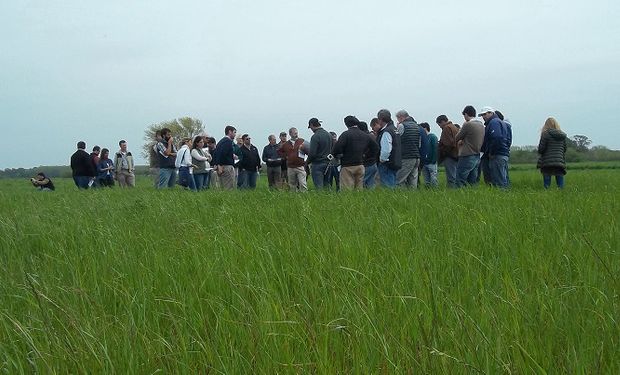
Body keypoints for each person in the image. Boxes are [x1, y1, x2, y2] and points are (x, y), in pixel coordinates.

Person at [332, 115, 379, 190]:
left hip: (347, 166)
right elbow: (376, 148)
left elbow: (336, 149)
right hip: (360, 165)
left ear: (346, 124)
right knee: (359, 190)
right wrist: (365, 155)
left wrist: (339, 155)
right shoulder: (364, 135)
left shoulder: (345, 134)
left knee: (346, 190)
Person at [480, 106, 512, 188]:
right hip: (502, 153)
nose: (483, 117)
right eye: (482, 115)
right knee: (503, 178)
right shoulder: (500, 122)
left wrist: (491, 152)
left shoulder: (494, 122)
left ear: (491, 113)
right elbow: (508, 140)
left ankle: (502, 197)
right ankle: (506, 196)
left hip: (497, 154)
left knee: (498, 180)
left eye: (485, 114)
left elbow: (497, 137)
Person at [455, 105, 485, 187]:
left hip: (467, 154)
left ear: (466, 114)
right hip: (477, 154)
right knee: (473, 180)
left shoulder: (468, 124)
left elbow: (457, 137)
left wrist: (461, 129)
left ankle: (460, 197)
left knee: (460, 179)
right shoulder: (481, 125)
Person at [537, 117, 567, 189]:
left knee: (547, 181)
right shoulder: (562, 135)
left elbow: (541, 149)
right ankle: (561, 194)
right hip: (559, 161)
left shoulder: (545, 134)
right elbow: (564, 149)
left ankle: (547, 194)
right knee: (560, 179)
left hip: (547, 161)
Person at [395, 110, 422, 189]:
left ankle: (400, 198)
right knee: (413, 182)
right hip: (416, 156)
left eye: (398, 119)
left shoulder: (401, 126)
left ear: (401, 117)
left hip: (406, 157)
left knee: (400, 181)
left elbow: (397, 141)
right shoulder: (417, 126)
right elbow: (419, 144)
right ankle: (412, 199)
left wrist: (396, 129)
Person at [376, 109, 401, 188]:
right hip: (395, 161)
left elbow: (386, 149)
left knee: (388, 187)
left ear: (381, 119)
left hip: (387, 163)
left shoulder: (386, 131)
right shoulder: (394, 129)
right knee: (392, 183)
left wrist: (382, 159)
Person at [278, 127, 307, 192]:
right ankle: (293, 197)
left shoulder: (302, 141)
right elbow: (279, 151)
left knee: (302, 183)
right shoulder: (286, 144)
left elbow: (309, 150)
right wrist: (286, 156)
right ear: (290, 134)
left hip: (300, 166)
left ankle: (304, 196)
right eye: (295, 133)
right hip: (291, 167)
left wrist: (306, 159)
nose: (296, 134)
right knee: (292, 184)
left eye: (297, 133)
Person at [306, 117, 333, 190]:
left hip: (318, 164)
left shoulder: (315, 136)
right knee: (327, 185)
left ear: (312, 125)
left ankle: (321, 200)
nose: (311, 129)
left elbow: (312, 154)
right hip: (328, 163)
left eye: (310, 127)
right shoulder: (329, 135)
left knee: (319, 187)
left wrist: (306, 163)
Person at [436, 115, 459, 188]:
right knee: (455, 175)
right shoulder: (454, 127)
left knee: (451, 177)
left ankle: (453, 192)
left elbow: (448, 143)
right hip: (456, 154)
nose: (439, 126)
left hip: (449, 155)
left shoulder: (446, 128)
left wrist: (443, 153)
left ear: (443, 122)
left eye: (439, 124)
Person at [213, 126, 237, 190]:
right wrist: (219, 165)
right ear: (229, 132)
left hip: (222, 166)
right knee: (228, 188)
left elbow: (216, 153)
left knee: (223, 187)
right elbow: (222, 153)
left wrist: (217, 164)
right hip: (226, 167)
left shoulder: (221, 142)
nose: (235, 134)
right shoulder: (228, 141)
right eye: (234, 132)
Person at [360, 120, 379, 189]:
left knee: (361, 183)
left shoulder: (364, 137)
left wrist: (364, 156)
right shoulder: (372, 136)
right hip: (373, 163)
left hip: (367, 164)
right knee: (370, 185)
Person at [420, 122, 438, 187]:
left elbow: (435, 149)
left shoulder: (432, 137)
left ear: (425, 128)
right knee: (426, 179)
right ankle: (428, 190)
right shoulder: (422, 138)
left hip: (431, 162)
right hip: (424, 162)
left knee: (433, 178)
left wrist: (433, 160)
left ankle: (435, 190)